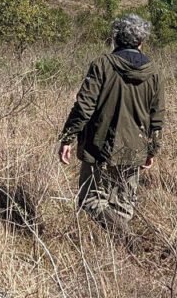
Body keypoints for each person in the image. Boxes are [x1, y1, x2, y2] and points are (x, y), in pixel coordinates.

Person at [58, 14, 165, 233]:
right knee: (123, 205)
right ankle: (123, 247)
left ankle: (124, 239)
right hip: (136, 145)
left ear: (115, 38)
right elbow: (157, 117)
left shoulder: (102, 65)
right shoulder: (153, 72)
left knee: (90, 199)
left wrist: (67, 137)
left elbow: (84, 106)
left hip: (99, 144)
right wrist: (152, 149)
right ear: (141, 41)